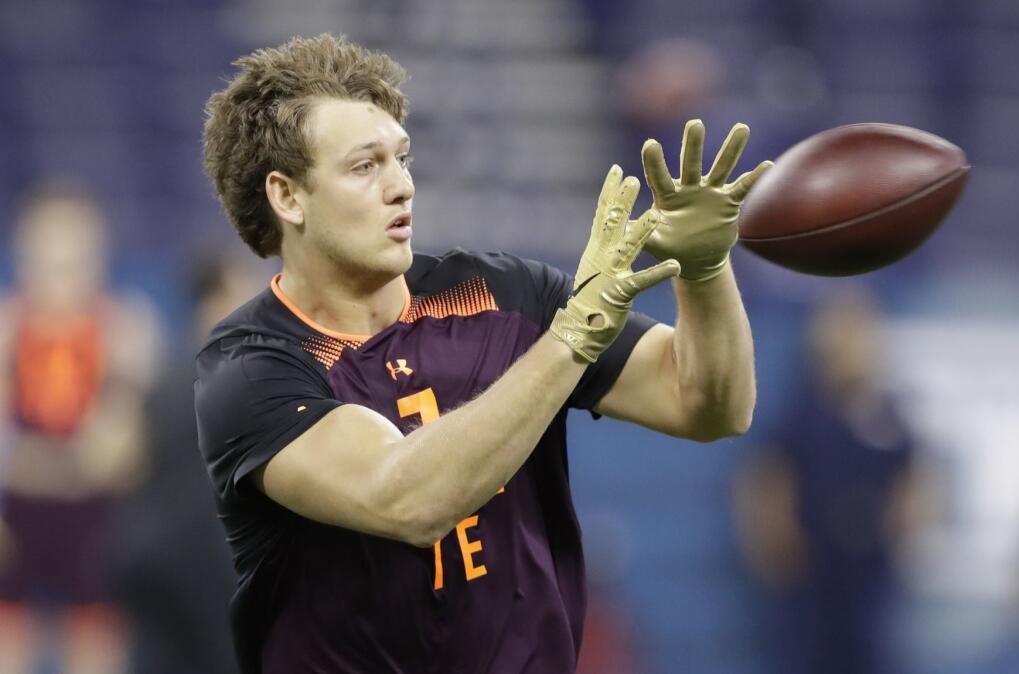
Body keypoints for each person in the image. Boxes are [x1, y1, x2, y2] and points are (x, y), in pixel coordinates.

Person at [195, 34, 771, 673]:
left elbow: (710, 404)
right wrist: (570, 339)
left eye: (403, 158)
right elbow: (408, 501)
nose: (402, 187)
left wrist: (705, 269)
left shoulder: (505, 295)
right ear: (287, 196)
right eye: (365, 167)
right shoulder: (249, 370)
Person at [0, 182, 161, 674]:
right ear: (23, 261)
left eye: (72, 263)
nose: (59, 280)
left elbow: (118, 459)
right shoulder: (8, 329)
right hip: (14, 527)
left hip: (93, 531)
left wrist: (33, 460)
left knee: (95, 646)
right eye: (46, 263)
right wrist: (65, 462)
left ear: (97, 263)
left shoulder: (125, 332)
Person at [733, 289, 919, 674]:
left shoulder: (886, 414)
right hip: (810, 571)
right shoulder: (799, 412)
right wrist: (773, 542)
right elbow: (766, 478)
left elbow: (911, 477)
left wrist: (905, 528)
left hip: (868, 570)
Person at [109, 253, 261, 674]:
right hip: (200, 567)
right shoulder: (238, 380)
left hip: (151, 555)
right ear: (214, 298)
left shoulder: (164, 379)